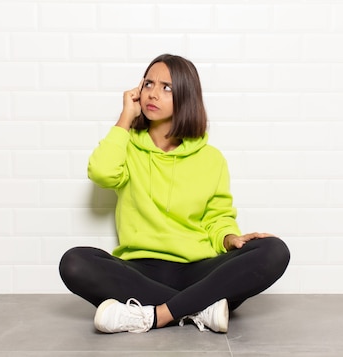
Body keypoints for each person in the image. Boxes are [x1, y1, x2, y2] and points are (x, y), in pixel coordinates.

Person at [59, 54, 290, 334]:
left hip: (199, 270)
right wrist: (124, 118)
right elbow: (102, 172)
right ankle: (199, 309)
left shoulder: (211, 158)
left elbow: (217, 217)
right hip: (140, 270)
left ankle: (155, 314)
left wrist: (230, 238)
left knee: (274, 250)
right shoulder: (126, 147)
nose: (153, 93)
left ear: (186, 97)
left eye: (166, 87)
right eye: (148, 84)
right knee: (73, 262)